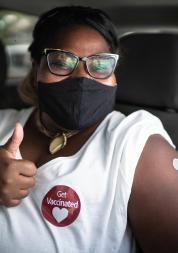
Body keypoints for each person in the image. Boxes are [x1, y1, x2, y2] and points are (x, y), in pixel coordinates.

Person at [0, 5, 178, 253]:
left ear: (113, 74)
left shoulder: (135, 141)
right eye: (62, 61)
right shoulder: (3, 122)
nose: (82, 78)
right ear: (35, 67)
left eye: (100, 65)